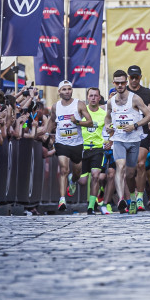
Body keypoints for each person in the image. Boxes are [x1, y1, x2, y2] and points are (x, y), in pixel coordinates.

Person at [104, 70, 150, 214]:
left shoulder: (135, 98)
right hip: (118, 139)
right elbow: (107, 118)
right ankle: (121, 199)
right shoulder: (111, 101)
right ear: (113, 83)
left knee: (131, 174)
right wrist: (108, 126)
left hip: (133, 140)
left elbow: (149, 115)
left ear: (126, 83)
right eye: (117, 83)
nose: (120, 85)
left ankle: (132, 197)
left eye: (122, 82)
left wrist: (135, 125)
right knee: (120, 166)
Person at [49, 80, 93, 212]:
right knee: (63, 169)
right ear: (59, 92)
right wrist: (47, 134)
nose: (67, 91)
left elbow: (90, 122)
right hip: (61, 142)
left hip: (76, 143)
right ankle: (62, 199)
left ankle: (72, 181)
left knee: (77, 173)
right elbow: (52, 121)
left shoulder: (79, 104)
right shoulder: (55, 106)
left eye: (69, 89)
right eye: (64, 89)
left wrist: (78, 122)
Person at [126, 65, 150, 211]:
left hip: (142, 132)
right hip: (126, 134)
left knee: (140, 164)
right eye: (131, 77)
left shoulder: (148, 93)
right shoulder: (122, 93)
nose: (133, 80)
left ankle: (139, 198)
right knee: (129, 170)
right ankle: (130, 196)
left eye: (136, 77)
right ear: (128, 78)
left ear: (140, 77)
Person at [79, 87, 107, 214]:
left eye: (96, 96)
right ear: (87, 97)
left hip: (97, 148)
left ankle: (91, 206)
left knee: (95, 176)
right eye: (91, 96)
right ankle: (72, 178)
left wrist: (109, 141)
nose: (93, 98)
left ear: (99, 98)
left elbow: (109, 130)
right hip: (83, 148)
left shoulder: (104, 114)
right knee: (83, 181)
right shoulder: (81, 111)